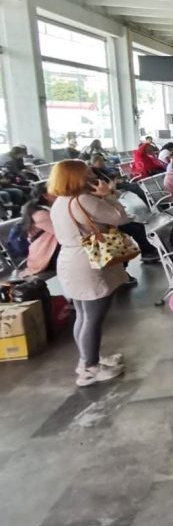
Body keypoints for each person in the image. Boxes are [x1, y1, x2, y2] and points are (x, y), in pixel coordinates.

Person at [48, 160, 131, 387]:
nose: (92, 176)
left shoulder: (60, 202)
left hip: (70, 261)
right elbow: (120, 217)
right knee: (93, 318)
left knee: (84, 315)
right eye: (87, 173)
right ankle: (89, 369)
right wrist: (108, 194)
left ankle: (87, 360)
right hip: (89, 263)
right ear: (76, 178)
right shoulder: (84, 200)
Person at [19, 185, 59, 277]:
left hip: (51, 250)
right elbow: (62, 233)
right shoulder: (41, 214)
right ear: (46, 195)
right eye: (56, 192)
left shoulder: (43, 210)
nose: (59, 194)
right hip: (46, 255)